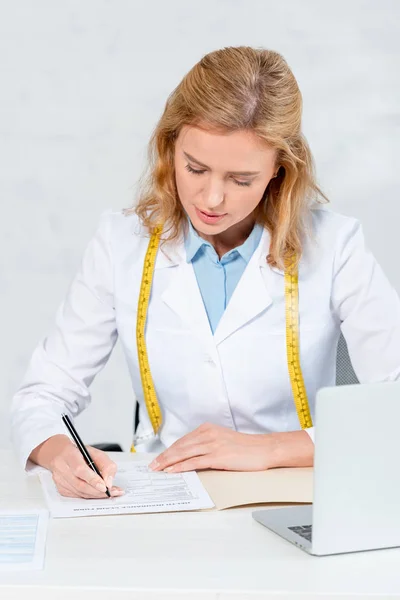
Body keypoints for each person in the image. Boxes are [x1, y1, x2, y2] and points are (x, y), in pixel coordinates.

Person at [10, 46, 400, 500]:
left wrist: (266, 449)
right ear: (169, 146)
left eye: (241, 179)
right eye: (195, 168)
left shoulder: (335, 247)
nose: (211, 199)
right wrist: (61, 454)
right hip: (168, 495)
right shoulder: (120, 244)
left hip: (301, 493)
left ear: (279, 170)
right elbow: (39, 397)